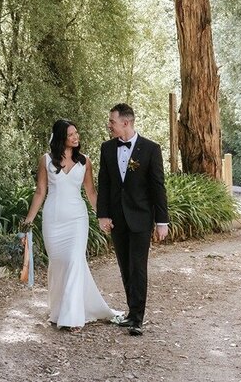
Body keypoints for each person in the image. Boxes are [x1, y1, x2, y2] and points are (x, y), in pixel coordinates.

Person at [21, 119, 119, 332]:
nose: (76, 137)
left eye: (76, 133)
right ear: (60, 138)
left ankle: (73, 317)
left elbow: (91, 192)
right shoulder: (46, 160)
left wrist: (103, 216)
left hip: (77, 219)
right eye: (71, 134)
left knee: (75, 260)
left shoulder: (85, 161)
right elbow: (40, 192)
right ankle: (58, 311)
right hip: (53, 220)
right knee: (59, 264)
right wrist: (28, 221)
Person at [96, 103, 169, 337]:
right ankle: (131, 312)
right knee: (125, 266)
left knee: (138, 267)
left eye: (112, 122)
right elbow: (104, 184)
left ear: (125, 123)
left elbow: (158, 187)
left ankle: (137, 318)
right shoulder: (107, 149)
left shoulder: (151, 149)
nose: (109, 126)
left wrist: (162, 221)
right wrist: (103, 215)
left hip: (141, 218)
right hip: (117, 219)